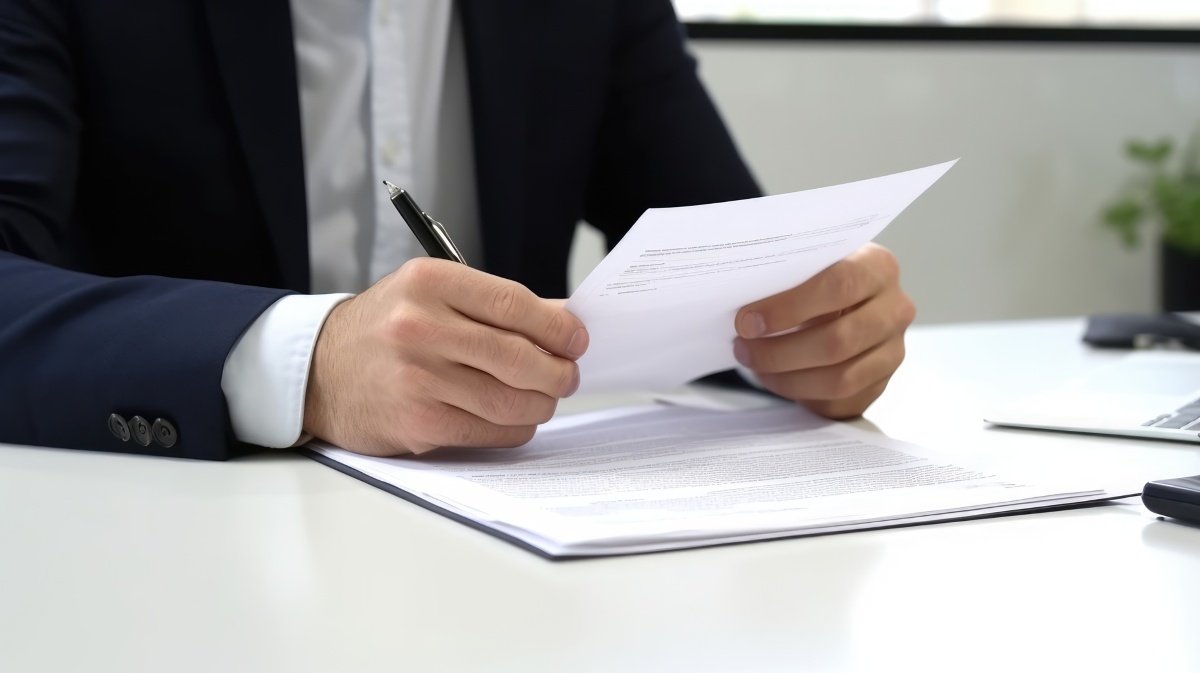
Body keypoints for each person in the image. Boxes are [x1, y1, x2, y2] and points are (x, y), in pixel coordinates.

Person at [0, 0, 914, 460]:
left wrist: (811, 328)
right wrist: (306, 363)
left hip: (514, 559)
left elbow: (719, 246)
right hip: (156, 552)